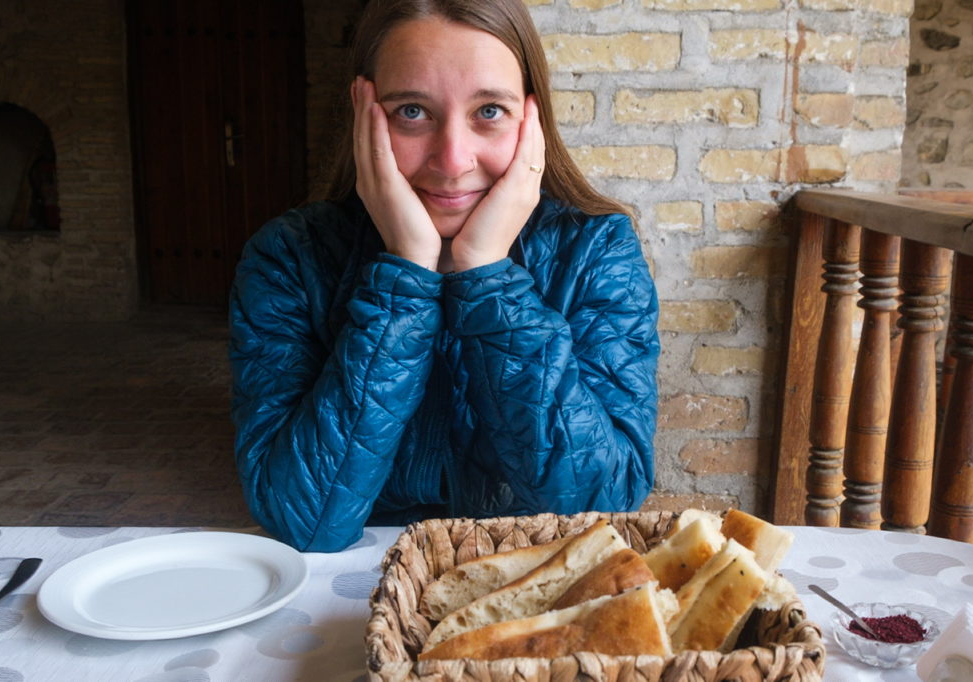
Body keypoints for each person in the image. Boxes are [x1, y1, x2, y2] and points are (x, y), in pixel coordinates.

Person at [229, 0, 659, 552]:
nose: (453, 160)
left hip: (527, 582)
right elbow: (304, 521)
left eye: (489, 111)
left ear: (531, 119)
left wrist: (485, 275)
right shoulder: (287, 258)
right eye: (412, 111)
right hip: (355, 584)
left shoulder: (597, 250)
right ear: (365, 113)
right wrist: (406, 272)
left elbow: (601, 510)